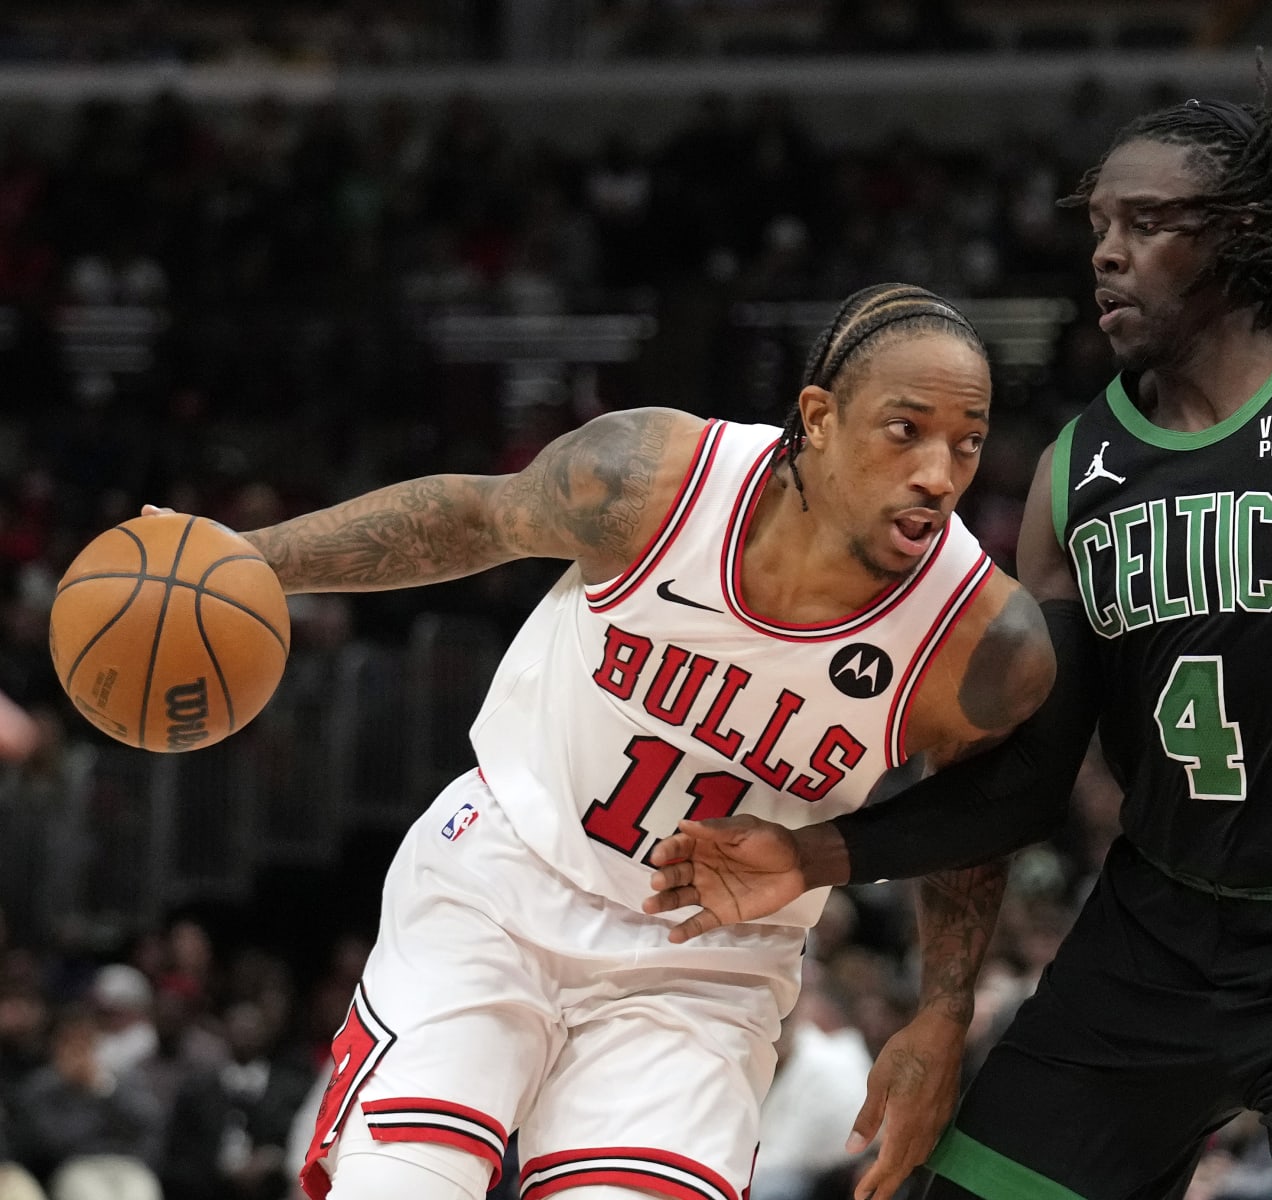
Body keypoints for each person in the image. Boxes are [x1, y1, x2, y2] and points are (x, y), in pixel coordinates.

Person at [645, 94, 1272, 1200]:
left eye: (1145, 223)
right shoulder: (1076, 470)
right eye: (1098, 226)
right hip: (1159, 928)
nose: (1107, 254)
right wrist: (818, 854)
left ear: (1236, 232)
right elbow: (1027, 782)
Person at [150, 283, 1055, 1200]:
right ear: (818, 418)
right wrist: (245, 558)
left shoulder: (982, 642)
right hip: (502, 879)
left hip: (705, 963)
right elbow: (475, 517)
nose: (940, 473)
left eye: (968, 441)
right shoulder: (654, 478)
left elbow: (972, 821)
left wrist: (943, 1013)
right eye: (907, 430)